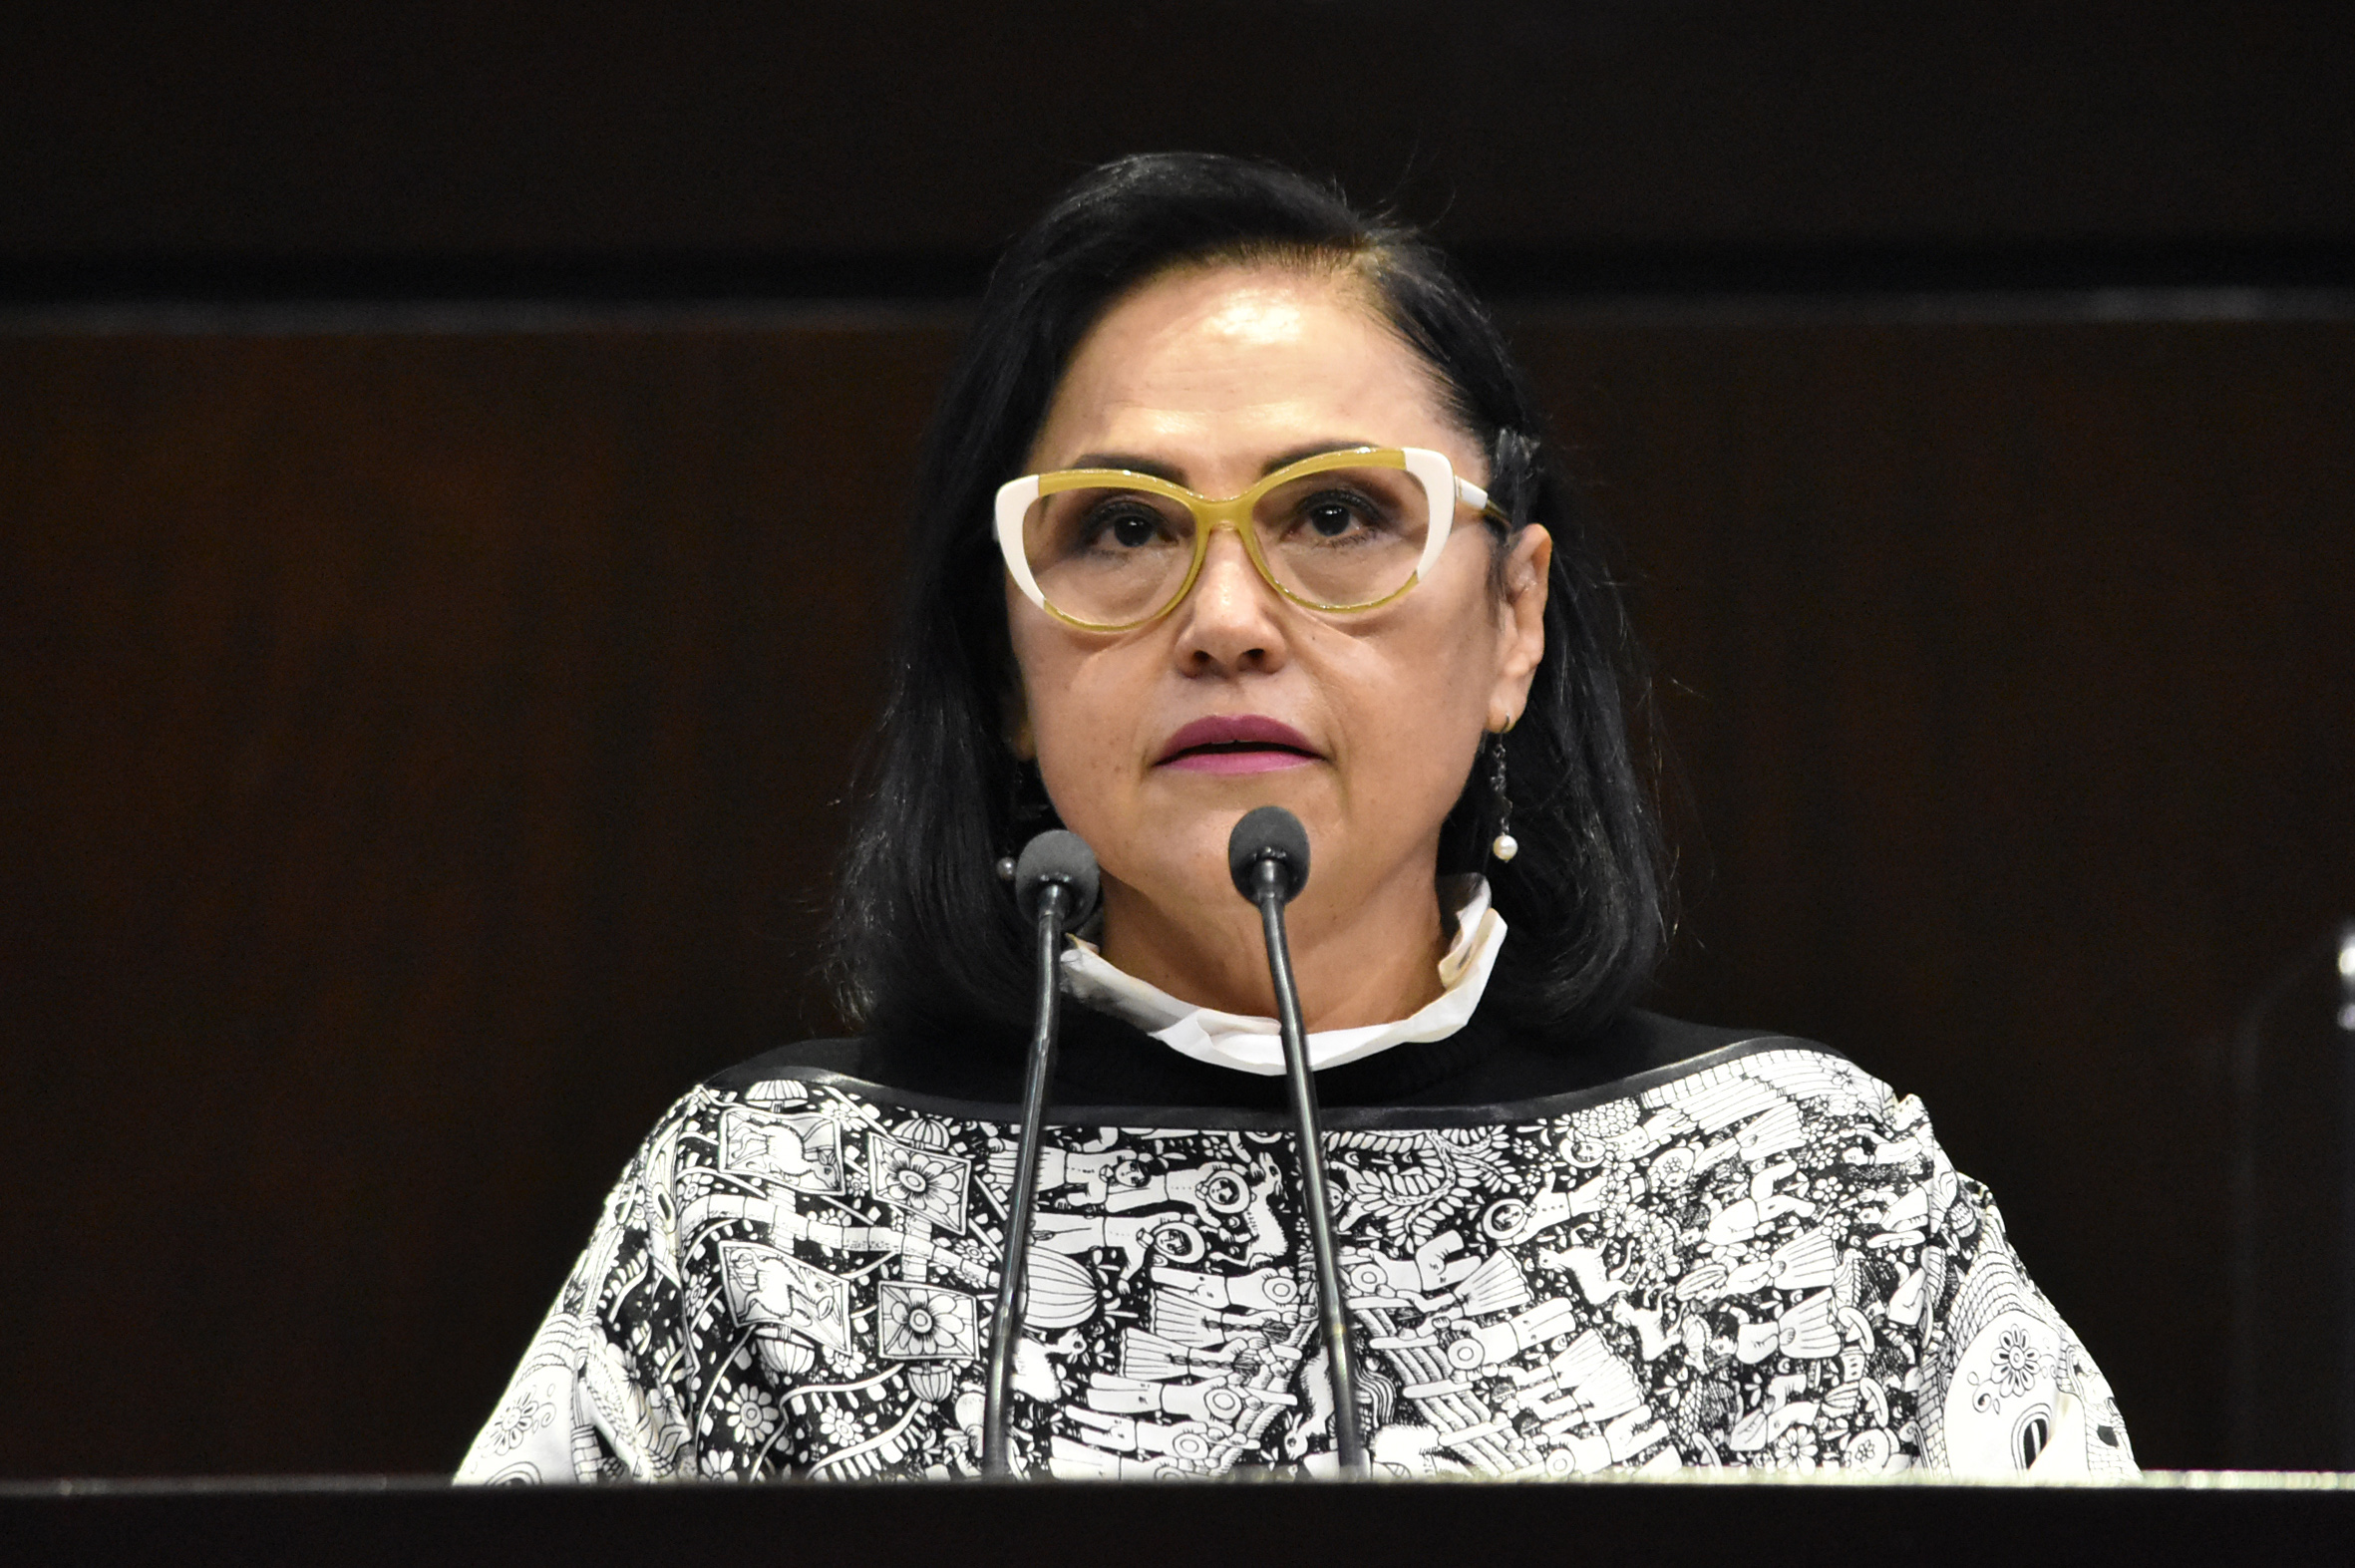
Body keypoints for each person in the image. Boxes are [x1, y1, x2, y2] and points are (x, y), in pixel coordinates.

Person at [458, 154, 2133, 1483]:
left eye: (1333, 513)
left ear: (1514, 621)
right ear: (1008, 665)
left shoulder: (1806, 1190)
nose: (1226, 619)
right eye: (1122, 529)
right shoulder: (765, 1208)